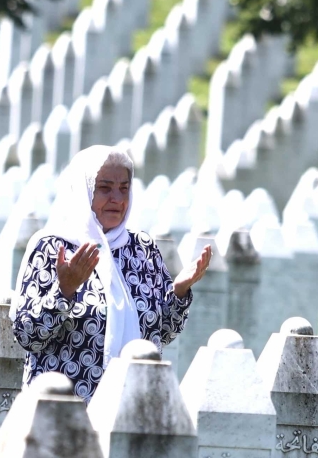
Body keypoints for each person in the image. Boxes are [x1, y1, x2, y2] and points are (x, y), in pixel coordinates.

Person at [12, 145, 212, 399]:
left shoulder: (142, 249)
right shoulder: (52, 247)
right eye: (105, 188)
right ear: (84, 191)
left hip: (131, 407)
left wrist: (179, 291)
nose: (117, 199)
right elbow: (28, 336)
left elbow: (161, 333)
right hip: (65, 410)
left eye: (124, 188)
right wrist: (64, 291)